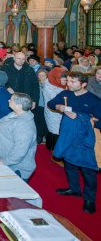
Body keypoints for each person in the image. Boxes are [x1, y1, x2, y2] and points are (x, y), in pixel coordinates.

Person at [48, 72, 101, 214]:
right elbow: (50, 103)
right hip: (67, 135)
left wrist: (80, 117)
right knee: (69, 164)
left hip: (84, 139)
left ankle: (90, 199)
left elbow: (99, 121)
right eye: (68, 81)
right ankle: (74, 189)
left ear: (83, 84)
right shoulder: (66, 93)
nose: (68, 84)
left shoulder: (93, 100)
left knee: (88, 170)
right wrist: (59, 107)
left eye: (73, 82)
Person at [0, 93, 37, 182]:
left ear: (19, 105)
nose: (8, 100)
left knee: (13, 192)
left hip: (17, 168)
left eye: (11, 100)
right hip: (8, 161)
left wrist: (4, 161)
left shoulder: (24, 125)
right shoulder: (16, 113)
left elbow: (20, 151)